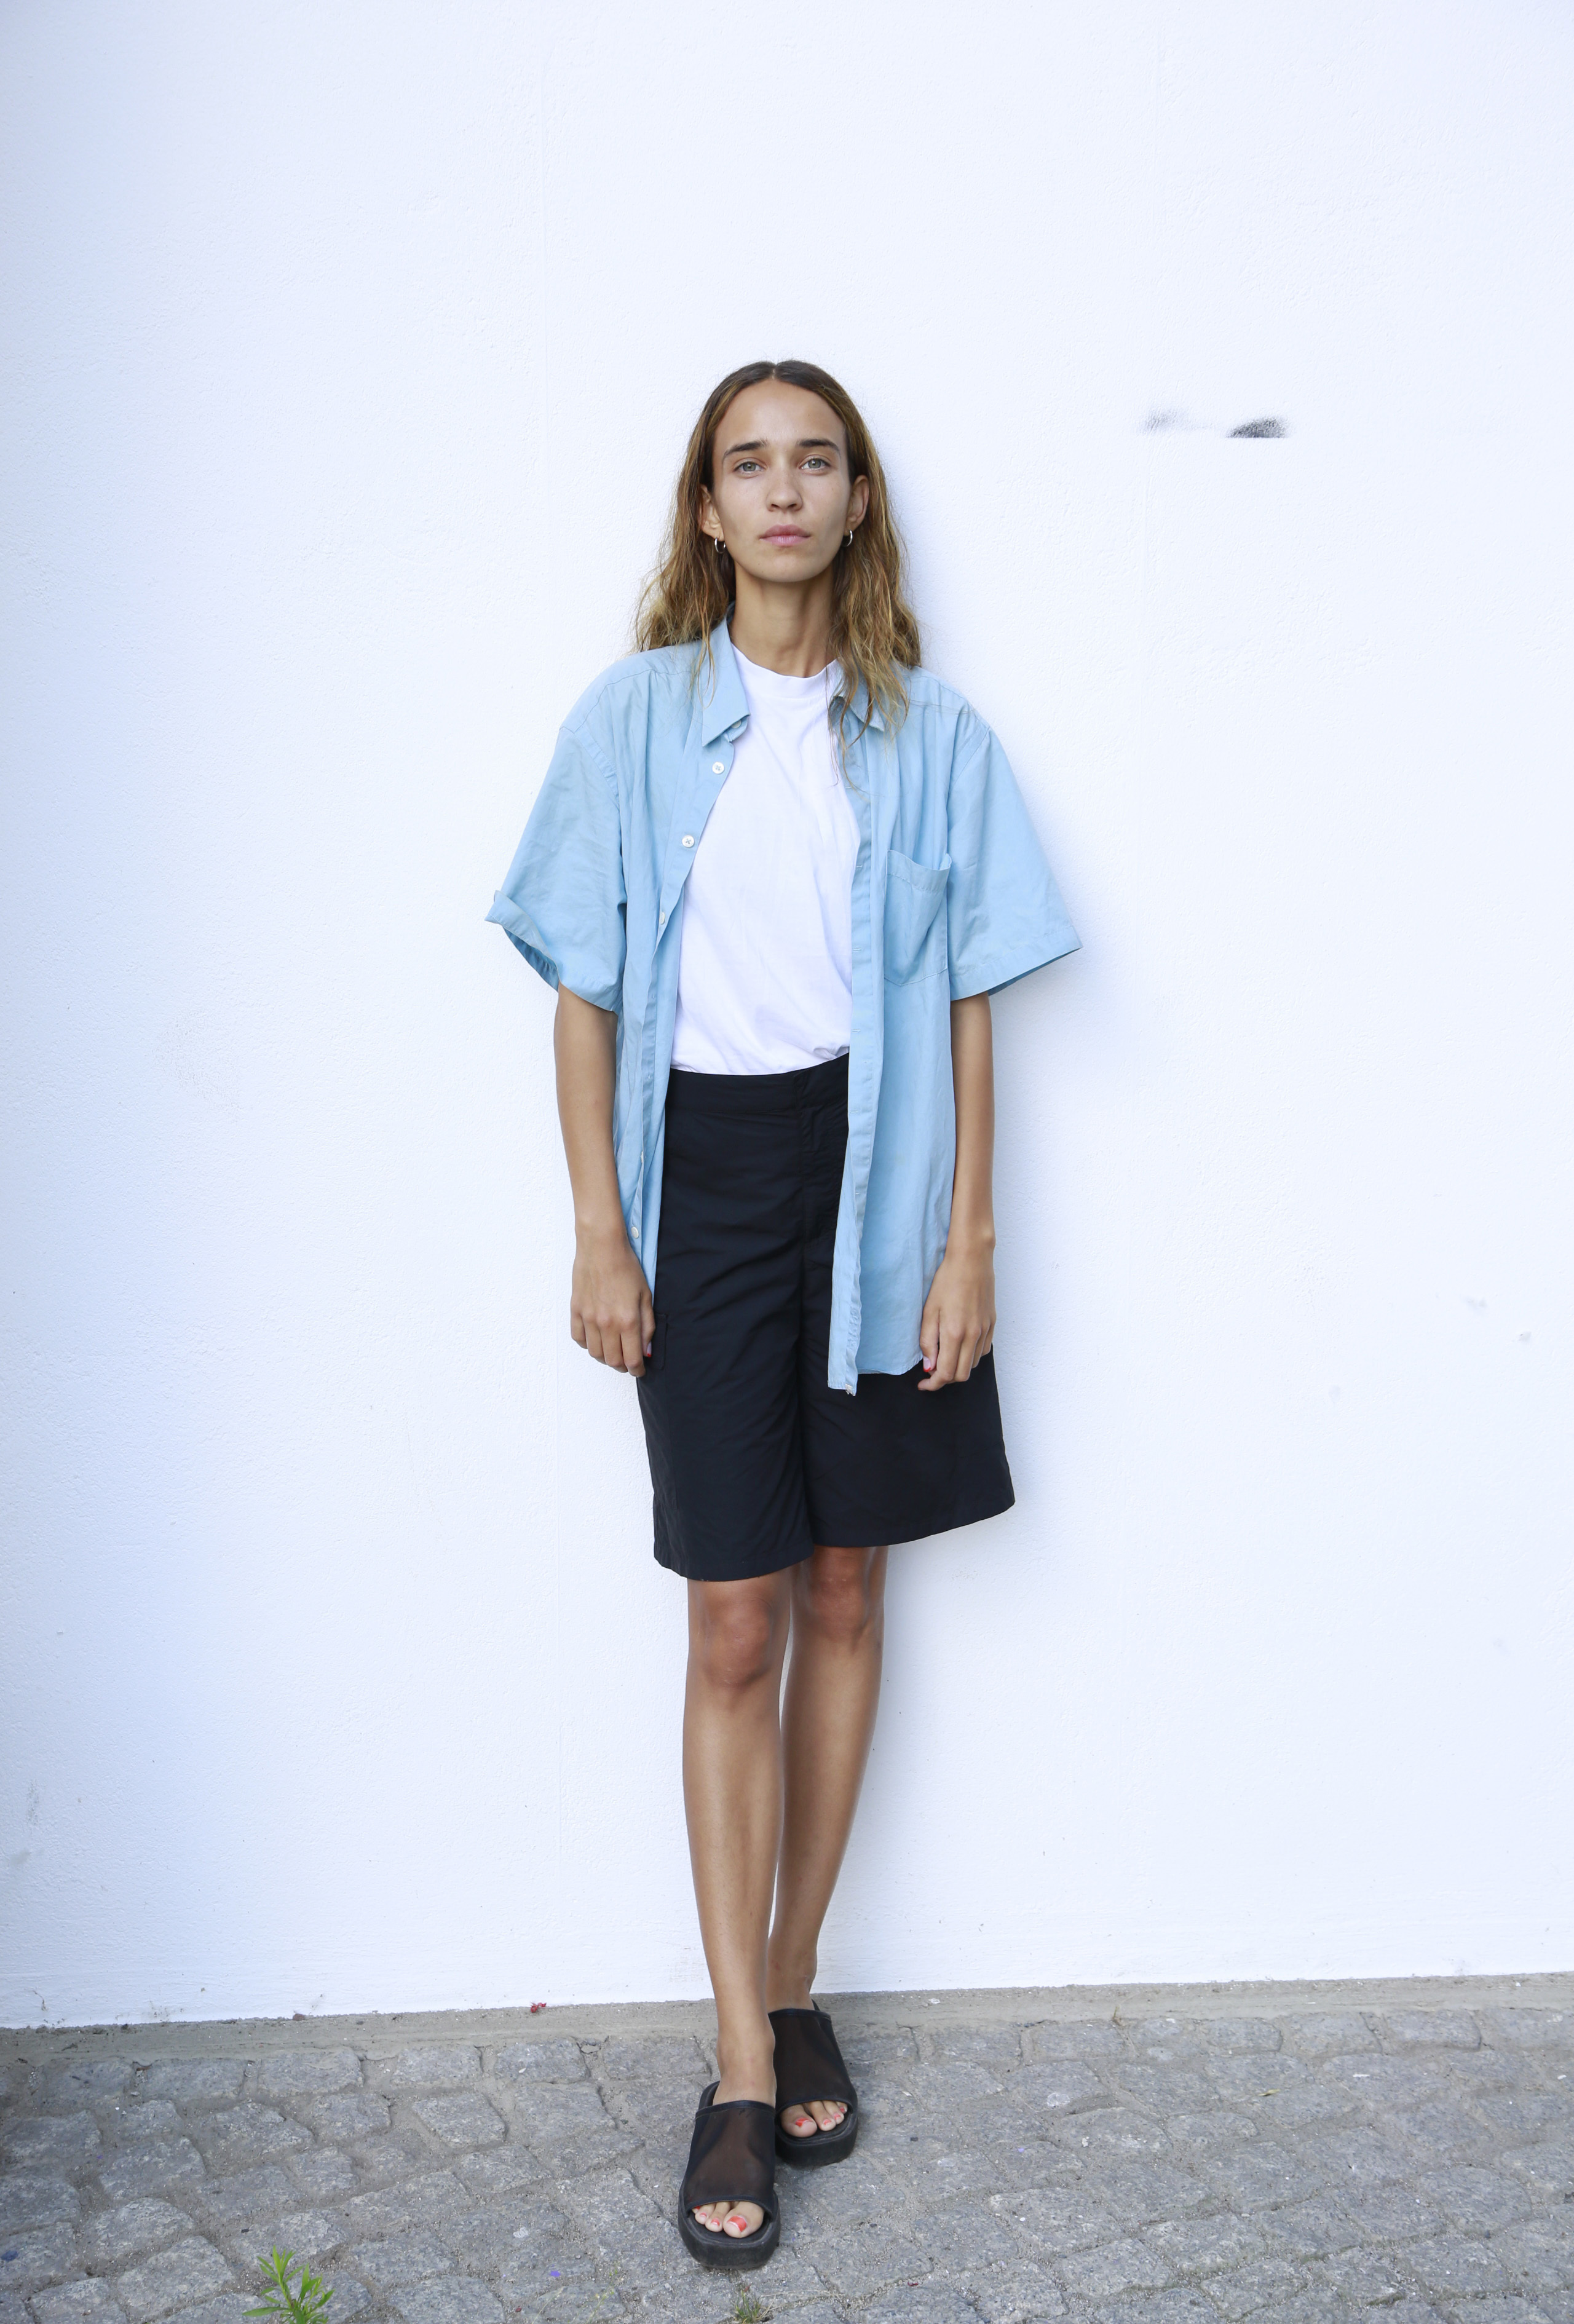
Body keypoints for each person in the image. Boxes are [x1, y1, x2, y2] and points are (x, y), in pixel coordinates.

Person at [486, 359, 1079, 2269]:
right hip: (710, 1178)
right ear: (708, 506)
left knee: (845, 1586)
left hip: (881, 1173)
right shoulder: (631, 722)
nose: (785, 491)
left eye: (816, 460)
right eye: (750, 463)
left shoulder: (932, 732)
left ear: (857, 498)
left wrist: (970, 1237)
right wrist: (601, 1228)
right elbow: (583, 994)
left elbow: (972, 998)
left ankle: (794, 1971)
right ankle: (739, 2056)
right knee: (733, 1611)